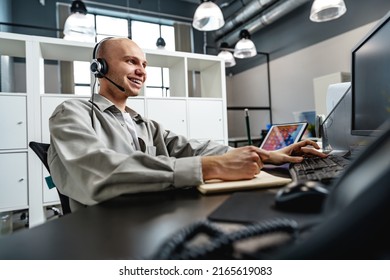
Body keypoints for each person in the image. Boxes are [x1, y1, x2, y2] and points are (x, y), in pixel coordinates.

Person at [48, 37, 326, 211]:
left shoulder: (142, 123)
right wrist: (210, 167)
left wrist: (268, 155)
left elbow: (193, 148)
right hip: (102, 228)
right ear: (100, 67)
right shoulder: (72, 112)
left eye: (144, 64)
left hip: (150, 214)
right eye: (131, 62)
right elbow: (99, 169)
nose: (142, 71)